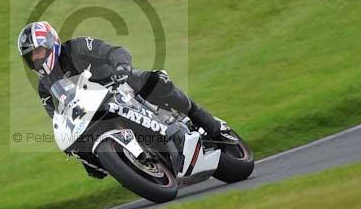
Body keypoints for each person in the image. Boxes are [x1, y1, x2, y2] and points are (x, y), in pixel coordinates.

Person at [17, 21, 232, 155]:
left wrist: (121, 67)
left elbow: (114, 51)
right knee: (85, 149)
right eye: (31, 57)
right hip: (94, 113)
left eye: (38, 52)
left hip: (119, 85)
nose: (36, 59)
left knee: (157, 81)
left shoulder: (76, 47)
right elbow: (57, 117)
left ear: (51, 43)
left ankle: (206, 122)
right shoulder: (45, 87)